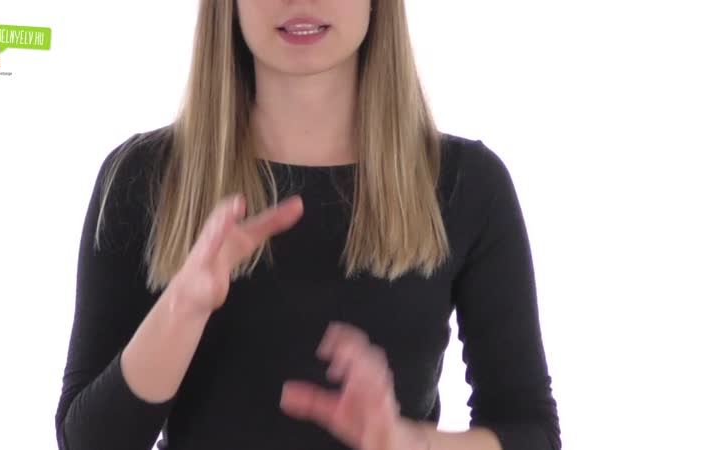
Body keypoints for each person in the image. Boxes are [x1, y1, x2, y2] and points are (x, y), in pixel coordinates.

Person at [54, 1, 560, 449]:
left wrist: (413, 444)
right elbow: (88, 441)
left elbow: (530, 430)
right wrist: (182, 307)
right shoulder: (143, 178)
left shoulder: (467, 185)